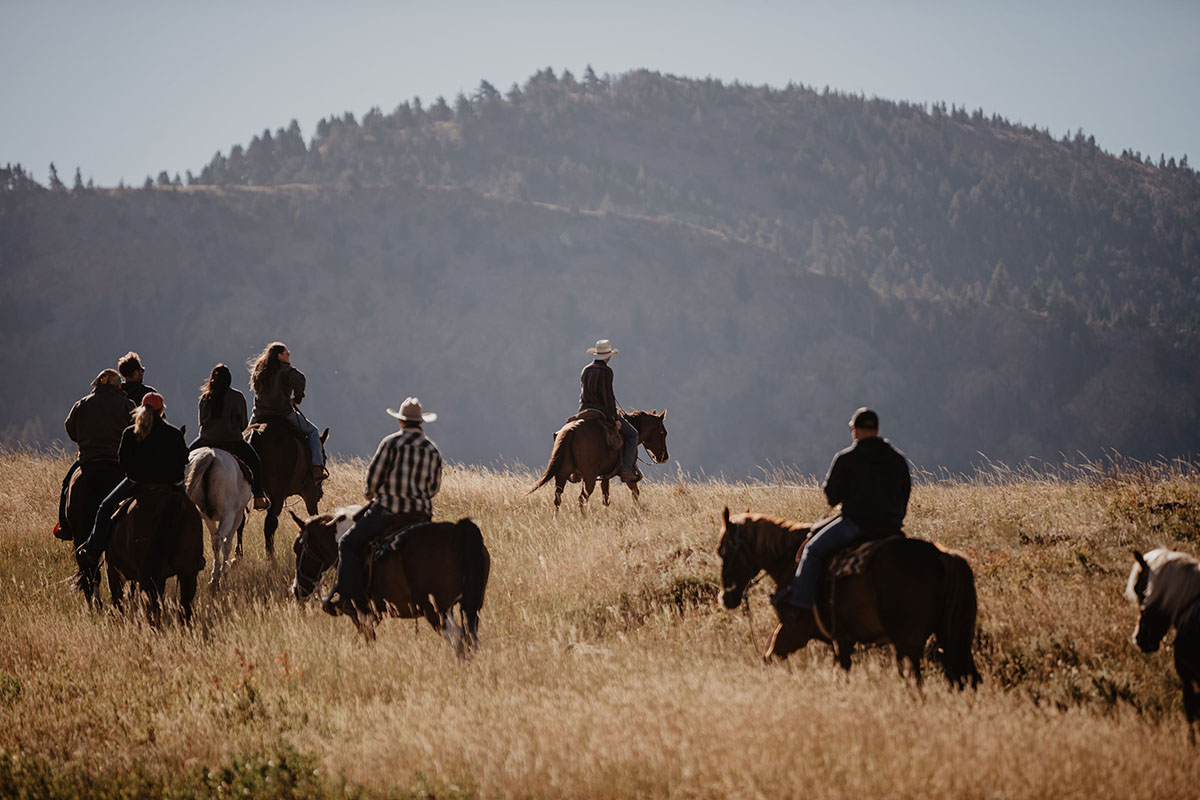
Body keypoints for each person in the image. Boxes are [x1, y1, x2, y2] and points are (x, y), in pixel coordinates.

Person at [773, 407, 912, 620]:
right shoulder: (898, 459)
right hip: (891, 527)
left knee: (812, 550)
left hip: (856, 525)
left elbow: (831, 496)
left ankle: (799, 604)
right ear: (877, 429)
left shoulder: (847, 458)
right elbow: (904, 494)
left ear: (855, 430)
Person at [322, 397, 442, 616]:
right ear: (421, 423)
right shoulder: (432, 449)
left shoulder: (391, 443)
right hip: (421, 515)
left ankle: (349, 598)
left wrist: (371, 494)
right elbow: (434, 487)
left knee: (348, 543)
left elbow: (373, 480)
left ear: (401, 422)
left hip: (389, 511)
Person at [76, 392, 189, 578]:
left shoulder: (130, 433)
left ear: (141, 408)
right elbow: (183, 460)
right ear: (162, 410)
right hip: (170, 484)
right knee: (190, 512)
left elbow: (123, 460)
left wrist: (135, 474)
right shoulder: (174, 433)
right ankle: (196, 555)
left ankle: (93, 549)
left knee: (105, 508)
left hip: (137, 482)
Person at [57, 369, 135, 539]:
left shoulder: (82, 403)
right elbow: (136, 431)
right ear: (117, 385)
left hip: (88, 461)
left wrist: (84, 441)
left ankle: (64, 526)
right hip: (118, 463)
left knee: (65, 487)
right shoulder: (127, 404)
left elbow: (70, 428)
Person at [189, 363, 269, 509]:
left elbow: (202, 422)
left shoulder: (205, 397)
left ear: (212, 379)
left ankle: (181, 495)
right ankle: (258, 496)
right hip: (232, 441)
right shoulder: (237, 397)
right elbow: (243, 425)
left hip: (206, 440)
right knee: (255, 462)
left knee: (185, 459)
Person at [247, 342, 325, 482]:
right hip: (282, 412)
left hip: (259, 414)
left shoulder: (259, 371)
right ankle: (317, 467)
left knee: (244, 438)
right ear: (279, 355)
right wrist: (297, 398)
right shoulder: (286, 370)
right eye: (286, 353)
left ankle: (241, 467)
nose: (289, 356)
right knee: (313, 431)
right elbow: (300, 379)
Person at [579, 339, 640, 483]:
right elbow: (607, 397)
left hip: (584, 409)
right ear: (608, 357)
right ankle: (626, 470)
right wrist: (615, 419)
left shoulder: (586, 369)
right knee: (633, 435)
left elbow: (582, 394)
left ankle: (576, 471)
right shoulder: (606, 371)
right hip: (602, 411)